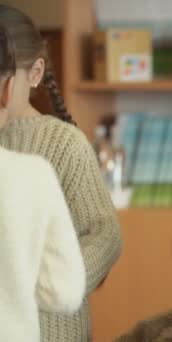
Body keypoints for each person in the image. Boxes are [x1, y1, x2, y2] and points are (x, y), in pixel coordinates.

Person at [0, 5, 122, 341]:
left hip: (53, 328)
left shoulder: (63, 143)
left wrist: (48, 278)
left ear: (35, 73)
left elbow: (105, 234)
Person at [0, 24, 86, 342]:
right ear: (9, 89)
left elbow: (104, 233)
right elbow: (63, 291)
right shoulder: (33, 175)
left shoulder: (63, 143)